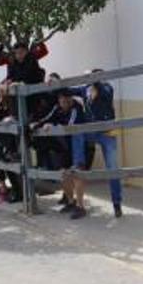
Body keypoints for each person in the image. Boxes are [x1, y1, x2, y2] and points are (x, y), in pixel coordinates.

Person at [31, 88, 88, 219]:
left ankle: (81, 207)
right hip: (65, 145)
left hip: (77, 142)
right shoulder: (57, 107)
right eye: (61, 99)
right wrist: (37, 125)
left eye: (65, 99)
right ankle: (70, 202)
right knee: (63, 173)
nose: (63, 102)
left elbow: (69, 126)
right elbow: (48, 118)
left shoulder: (76, 108)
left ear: (70, 99)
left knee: (77, 173)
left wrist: (53, 126)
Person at [74, 70, 123, 218]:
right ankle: (79, 163)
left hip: (107, 133)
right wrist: (54, 83)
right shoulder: (85, 89)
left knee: (112, 168)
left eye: (97, 78)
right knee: (77, 131)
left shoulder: (107, 88)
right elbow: (69, 90)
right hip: (92, 131)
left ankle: (117, 204)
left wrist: (95, 80)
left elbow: (103, 91)